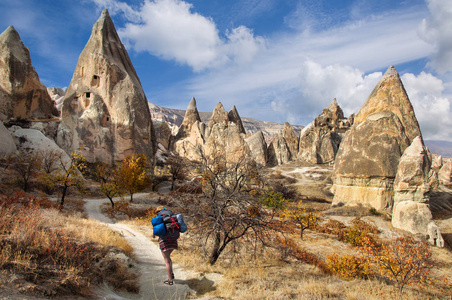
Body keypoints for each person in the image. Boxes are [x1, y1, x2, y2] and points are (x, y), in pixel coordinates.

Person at [153, 206, 177, 285]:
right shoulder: (170, 216)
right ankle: (171, 274)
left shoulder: (159, 218)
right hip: (174, 240)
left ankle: (170, 280)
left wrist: (154, 235)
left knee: (166, 261)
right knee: (169, 258)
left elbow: (155, 232)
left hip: (164, 241)